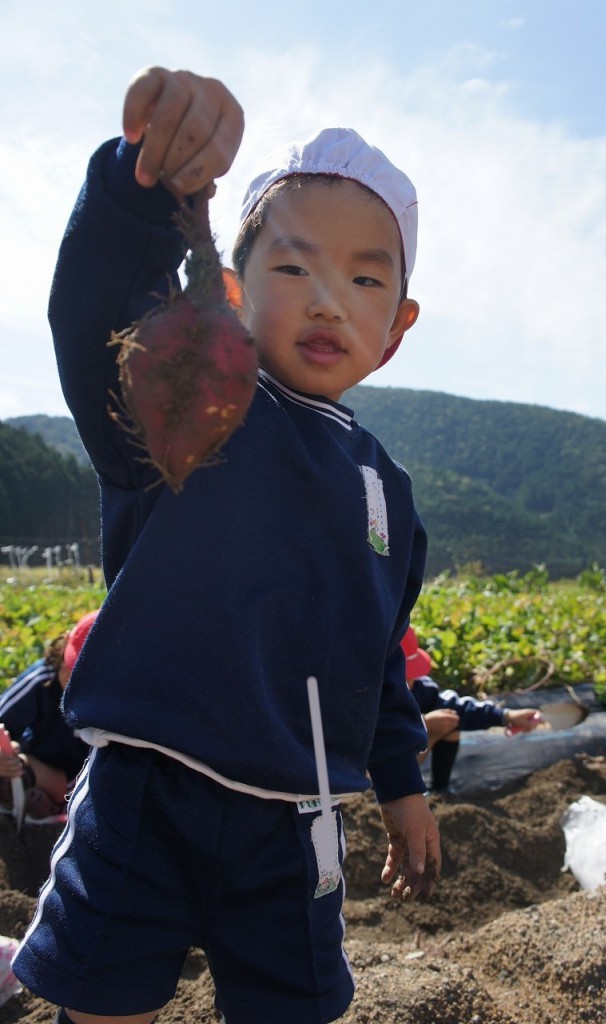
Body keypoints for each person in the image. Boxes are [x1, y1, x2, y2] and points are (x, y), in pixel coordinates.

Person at [12, 67, 440, 1024]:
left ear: (396, 328)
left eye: (365, 278)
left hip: (297, 817)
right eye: (295, 269)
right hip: (147, 786)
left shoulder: (387, 492)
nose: (328, 300)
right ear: (237, 290)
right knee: (105, 1000)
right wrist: (144, 193)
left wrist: (403, 784)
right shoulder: (199, 396)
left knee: (293, 1005)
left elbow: (376, 657)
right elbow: (97, 316)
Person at [401, 626, 542, 791]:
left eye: (411, 675)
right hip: (380, 770)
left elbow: (458, 709)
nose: (410, 681)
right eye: (404, 676)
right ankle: (397, 794)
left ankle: (440, 790)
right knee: (422, 731)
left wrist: (506, 716)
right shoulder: (377, 702)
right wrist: (425, 725)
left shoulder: (420, 690)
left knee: (449, 720)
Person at [0, 611, 97, 822]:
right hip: (43, 767)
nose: (72, 681)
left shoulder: (117, 701)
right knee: (16, 766)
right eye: (71, 667)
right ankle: (20, 795)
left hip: (90, 779)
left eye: (85, 678)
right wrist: (5, 754)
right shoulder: (42, 681)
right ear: (65, 644)